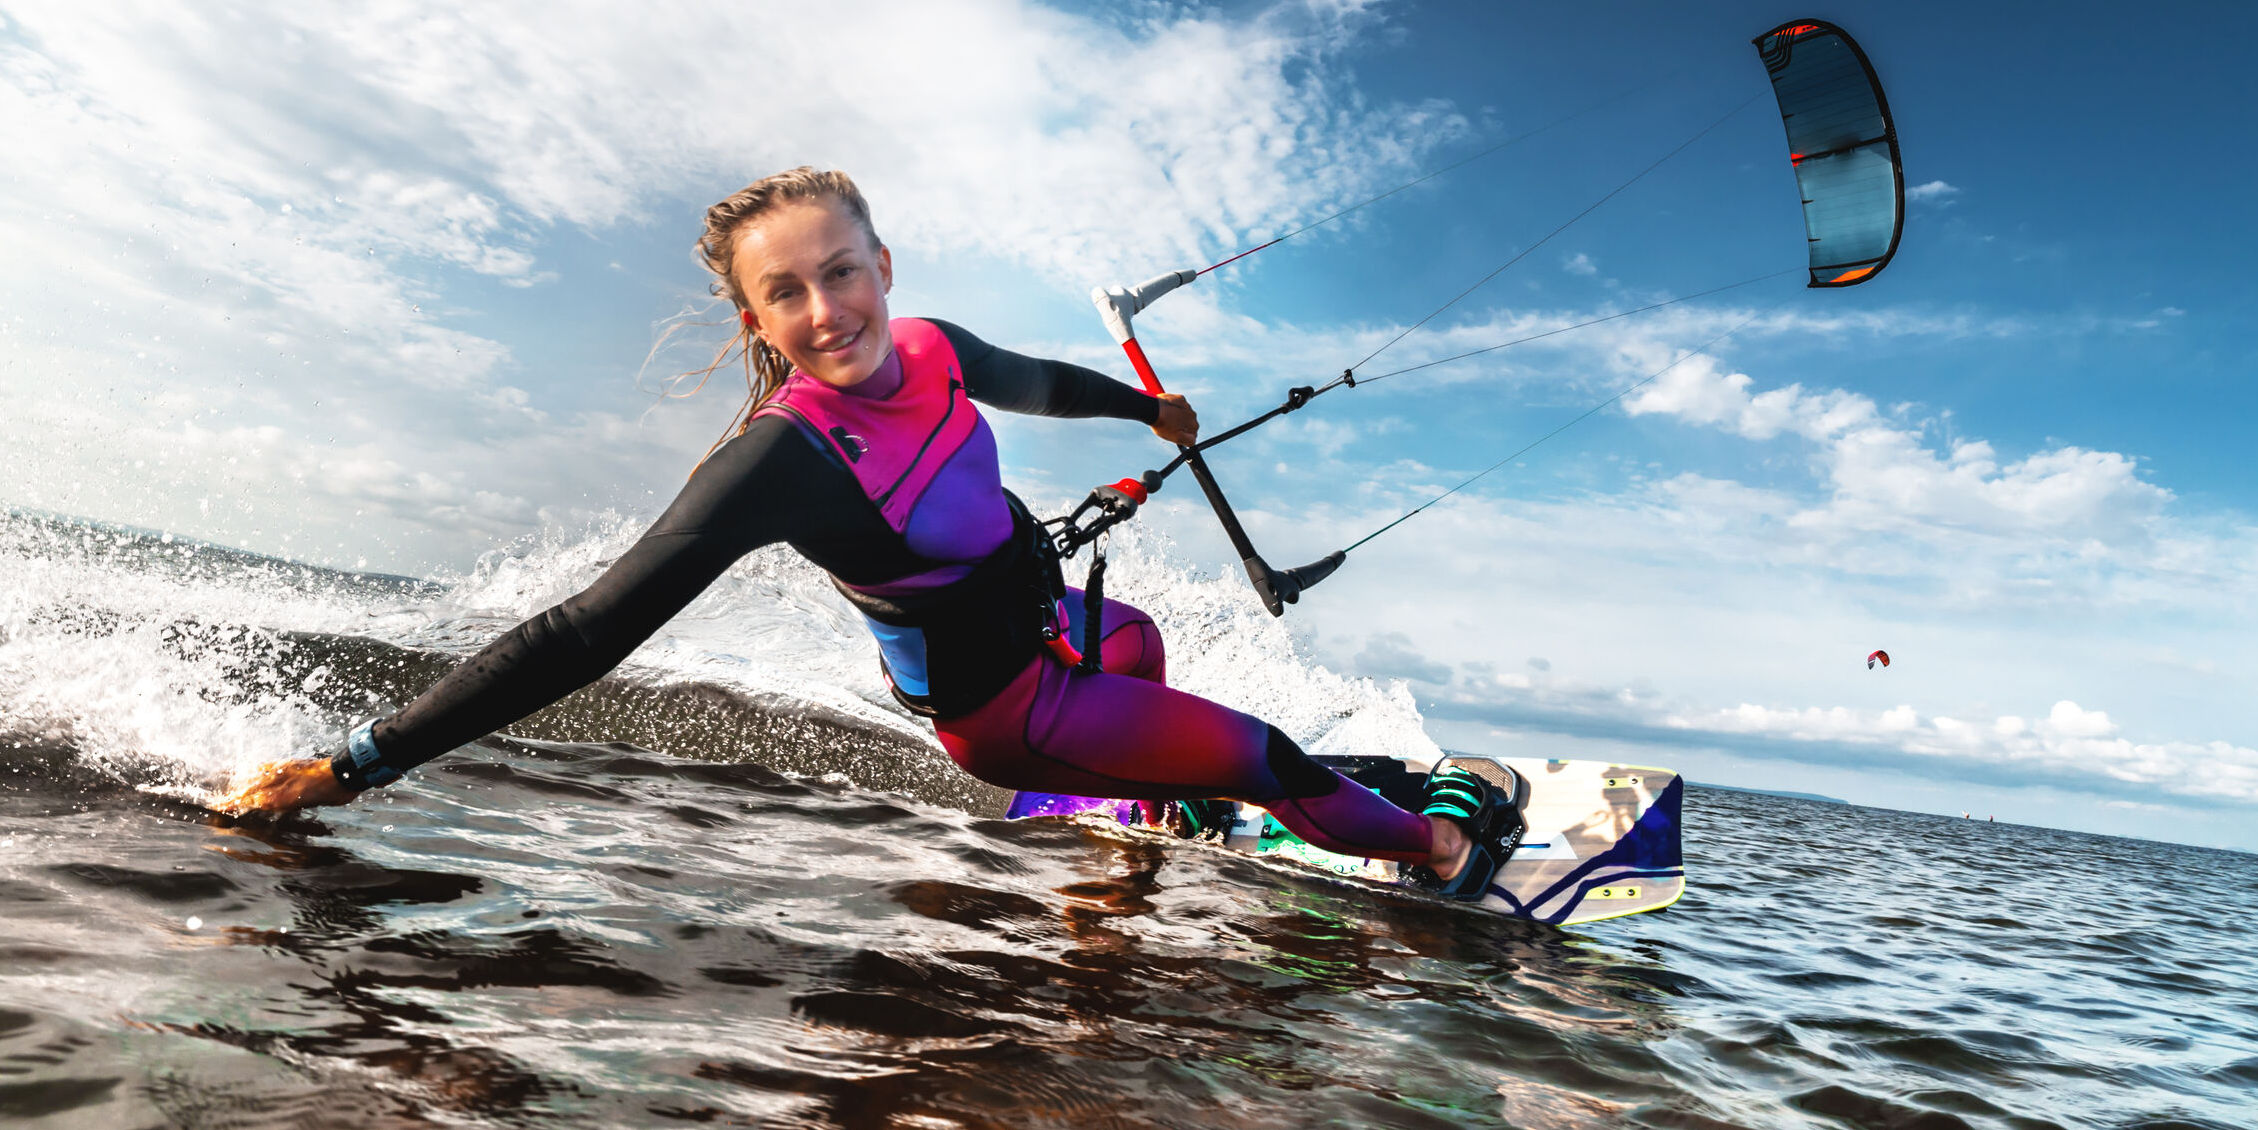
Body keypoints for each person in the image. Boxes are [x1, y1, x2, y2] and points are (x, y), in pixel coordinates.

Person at [216, 166, 1523, 897]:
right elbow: (584, 632)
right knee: (1268, 755)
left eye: (841, 271)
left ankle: (1157, 812)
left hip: (1049, 629)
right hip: (1007, 707)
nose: (827, 309)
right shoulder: (780, 461)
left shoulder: (936, 346)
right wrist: (356, 765)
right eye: (785, 293)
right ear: (756, 321)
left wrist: (1147, 410)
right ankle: (1447, 854)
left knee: (1134, 639)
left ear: (882, 266)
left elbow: (1035, 381)